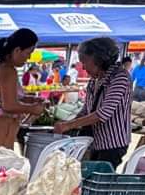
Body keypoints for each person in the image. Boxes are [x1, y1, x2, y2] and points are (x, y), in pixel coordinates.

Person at [54, 37, 132, 169]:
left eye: (84, 61)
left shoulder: (120, 77)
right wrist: (69, 124)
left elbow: (103, 114)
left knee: (100, 180)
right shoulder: (94, 80)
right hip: (94, 141)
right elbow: (86, 110)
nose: (83, 67)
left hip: (112, 143)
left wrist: (68, 125)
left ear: (98, 59)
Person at [0, 28, 46, 151]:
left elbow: (4, 96)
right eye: (28, 53)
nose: (28, 58)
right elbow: (9, 105)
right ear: (17, 50)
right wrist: (33, 109)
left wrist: (28, 99)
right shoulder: (7, 70)